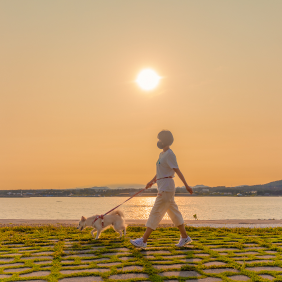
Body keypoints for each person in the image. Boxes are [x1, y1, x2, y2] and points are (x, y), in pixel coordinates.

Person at [130, 130, 193, 248]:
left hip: (166, 187)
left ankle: (143, 240)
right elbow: (160, 172)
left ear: (164, 140)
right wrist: (152, 181)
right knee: (174, 213)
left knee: (155, 212)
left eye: (159, 139)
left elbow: (177, 170)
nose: (158, 141)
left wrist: (186, 185)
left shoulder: (170, 154)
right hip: (163, 186)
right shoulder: (161, 155)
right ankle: (185, 237)